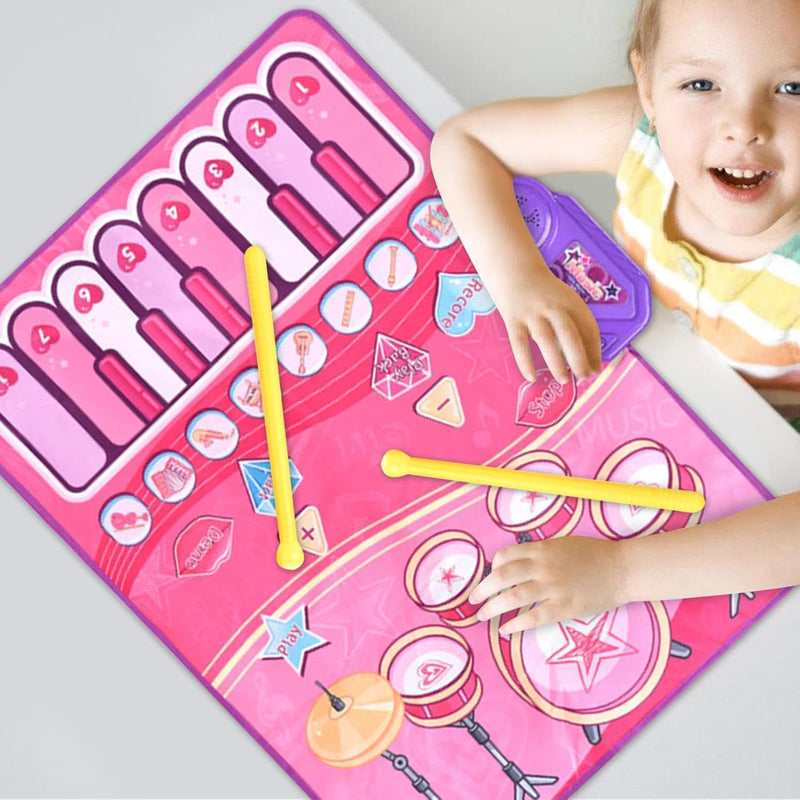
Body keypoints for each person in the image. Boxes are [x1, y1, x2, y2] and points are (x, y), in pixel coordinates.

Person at [429, 0, 800, 635]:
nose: (744, 127)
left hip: (764, 447)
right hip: (630, 390)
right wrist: (519, 277)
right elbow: (465, 141)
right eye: (701, 84)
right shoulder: (635, 131)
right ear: (648, 88)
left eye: (794, 87)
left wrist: (620, 573)